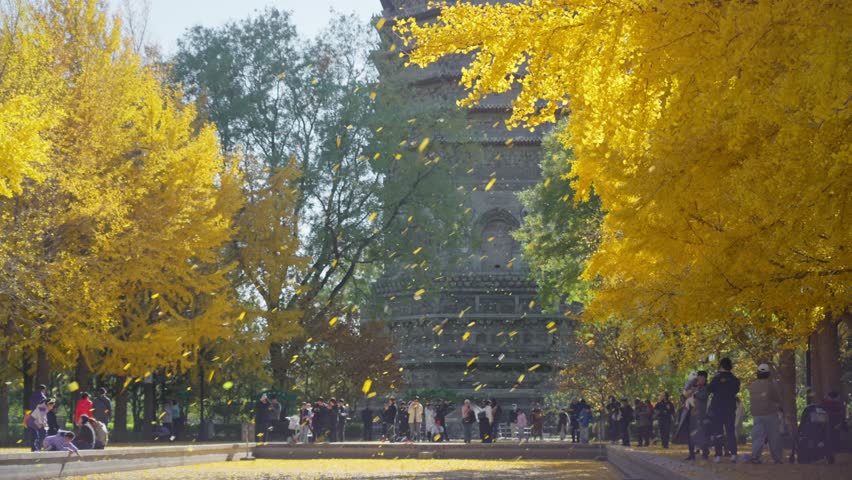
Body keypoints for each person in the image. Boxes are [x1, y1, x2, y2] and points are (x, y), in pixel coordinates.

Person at [707, 357, 740, 463]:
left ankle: (718, 455)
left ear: (721, 366)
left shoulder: (716, 379)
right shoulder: (735, 379)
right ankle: (734, 454)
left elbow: (709, 389)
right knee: (730, 431)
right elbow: (736, 390)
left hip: (717, 409)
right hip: (730, 409)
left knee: (718, 432)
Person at [747, 363, 782, 464]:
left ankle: (755, 456)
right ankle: (777, 458)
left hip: (757, 414)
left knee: (758, 437)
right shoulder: (771, 385)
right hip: (770, 413)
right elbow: (777, 398)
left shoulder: (753, 385)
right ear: (768, 374)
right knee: (773, 436)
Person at [797, 392, 832, 464]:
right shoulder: (823, 410)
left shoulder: (808, 409)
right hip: (820, 435)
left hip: (810, 435)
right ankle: (821, 457)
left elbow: (802, 424)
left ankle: (810, 458)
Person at [684, 371, 710, 460]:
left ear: (705, 379)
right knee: (690, 434)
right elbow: (685, 392)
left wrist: (694, 393)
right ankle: (691, 454)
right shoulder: (694, 386)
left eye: (701, 378)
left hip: (701, 414)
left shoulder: (706, 387)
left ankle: (705, 452)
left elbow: (703, 396)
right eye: (698, 378)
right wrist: (692, 383)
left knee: (701, 434)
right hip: (691, 414)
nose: (699, 379)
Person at [820, 390, 845, 463]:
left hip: (827, 424)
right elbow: (840, 415)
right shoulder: (837, 405)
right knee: (833, 440)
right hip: (834, 424)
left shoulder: (825, 403)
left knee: (828, 439)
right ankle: (831, 456)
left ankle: (828, 455)